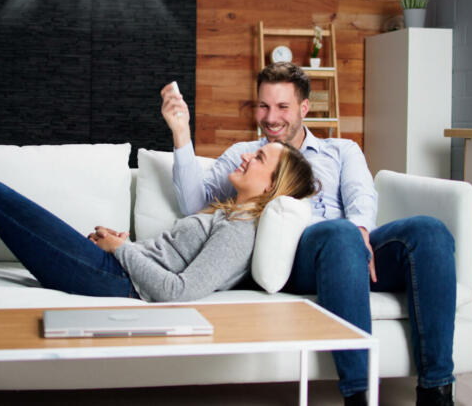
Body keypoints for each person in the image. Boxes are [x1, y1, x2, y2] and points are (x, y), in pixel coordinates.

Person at [161, 63, 456, 406]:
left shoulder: (341, 150)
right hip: (300, 259)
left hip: (354, 250)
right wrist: (181, 134)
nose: (271, 118)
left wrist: (362, 230)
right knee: (338, 233)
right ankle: (359, 395)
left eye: (282, 107)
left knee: (429, 232)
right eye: (264, 106)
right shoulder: (244, 156)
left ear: (303, 108)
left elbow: (362, 196)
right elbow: (193, 203)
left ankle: (436, 392)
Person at [0, 140, 317, 303]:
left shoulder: (243, 231)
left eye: (261, 159)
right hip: (110, 264)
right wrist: (120, 243)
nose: (248, 156)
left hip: (113, 277)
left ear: (273, 186)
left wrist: (121, 250)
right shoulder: (229, 216)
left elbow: (179, 292)